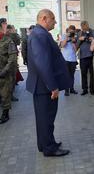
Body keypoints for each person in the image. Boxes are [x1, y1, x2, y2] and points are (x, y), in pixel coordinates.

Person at [26, 9, 71, 157]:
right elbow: (42, 63)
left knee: (43, 118)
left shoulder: (39, 33)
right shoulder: (39, 35)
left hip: (41, 85)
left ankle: (45, 143)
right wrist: (53, 86)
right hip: (44, 87)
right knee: (47, 118)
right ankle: (49, 148)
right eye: (53, 19)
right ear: (44, 18)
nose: (55, 22)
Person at [77, 20, 94, 95]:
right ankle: (84, 89)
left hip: (92, 56)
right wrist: (79, 40)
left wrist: (92, 39)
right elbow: (77, 45)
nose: (84, 29)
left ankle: (92, 89)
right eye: (83, 28)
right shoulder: (79, 33)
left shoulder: (93, 32)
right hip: (82, 56)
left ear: (88, 25)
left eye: (85, 27)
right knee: (83, 74)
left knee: (92, 74)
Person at [60, 26, 79, 96]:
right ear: (68, 31)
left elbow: (75, 50)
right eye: (70, 32)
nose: (72, 33)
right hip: (65, 59)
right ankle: (66, 90)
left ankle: (72, 89)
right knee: (66, 75)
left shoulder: (74, 37)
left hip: (73, 59)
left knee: (72, 75)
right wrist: (67, 38)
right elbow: (62, 45)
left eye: (73, 32)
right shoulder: (64, 36)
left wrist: (73, 42)